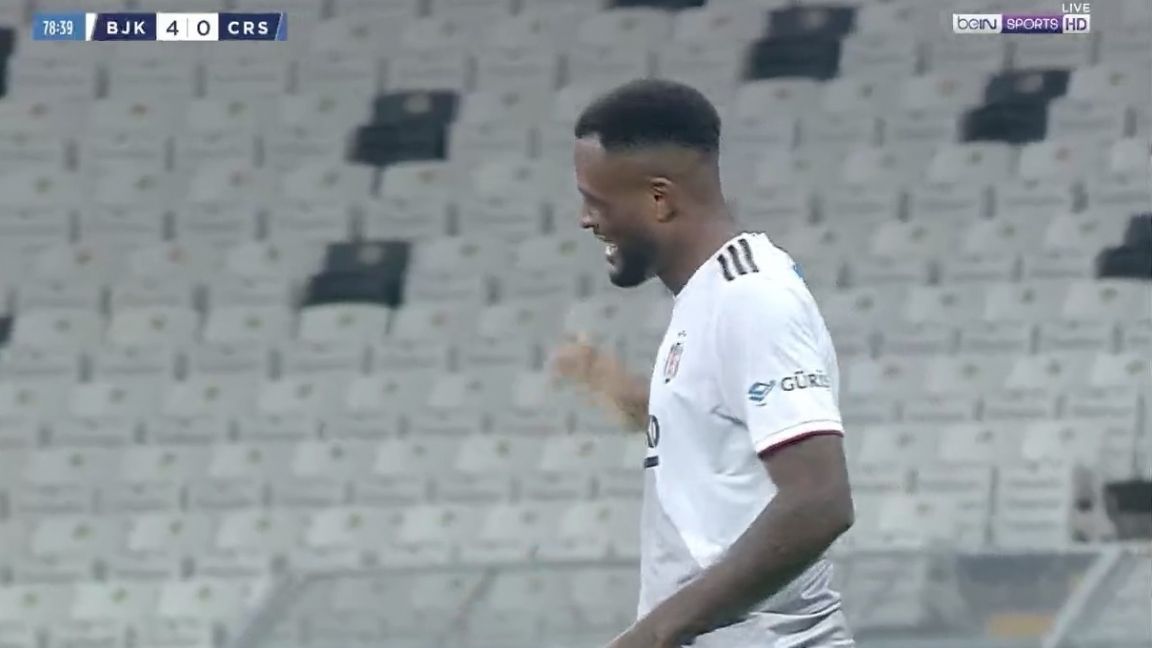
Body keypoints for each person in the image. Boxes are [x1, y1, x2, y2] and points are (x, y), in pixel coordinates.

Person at [552, 79, 856, 648]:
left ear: (659, 199)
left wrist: (653, 635)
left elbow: (820, 501)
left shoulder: (751, 296)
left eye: (596, 201)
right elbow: (718, 444)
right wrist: (621, 391)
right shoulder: (707, 298)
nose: (585, 219)